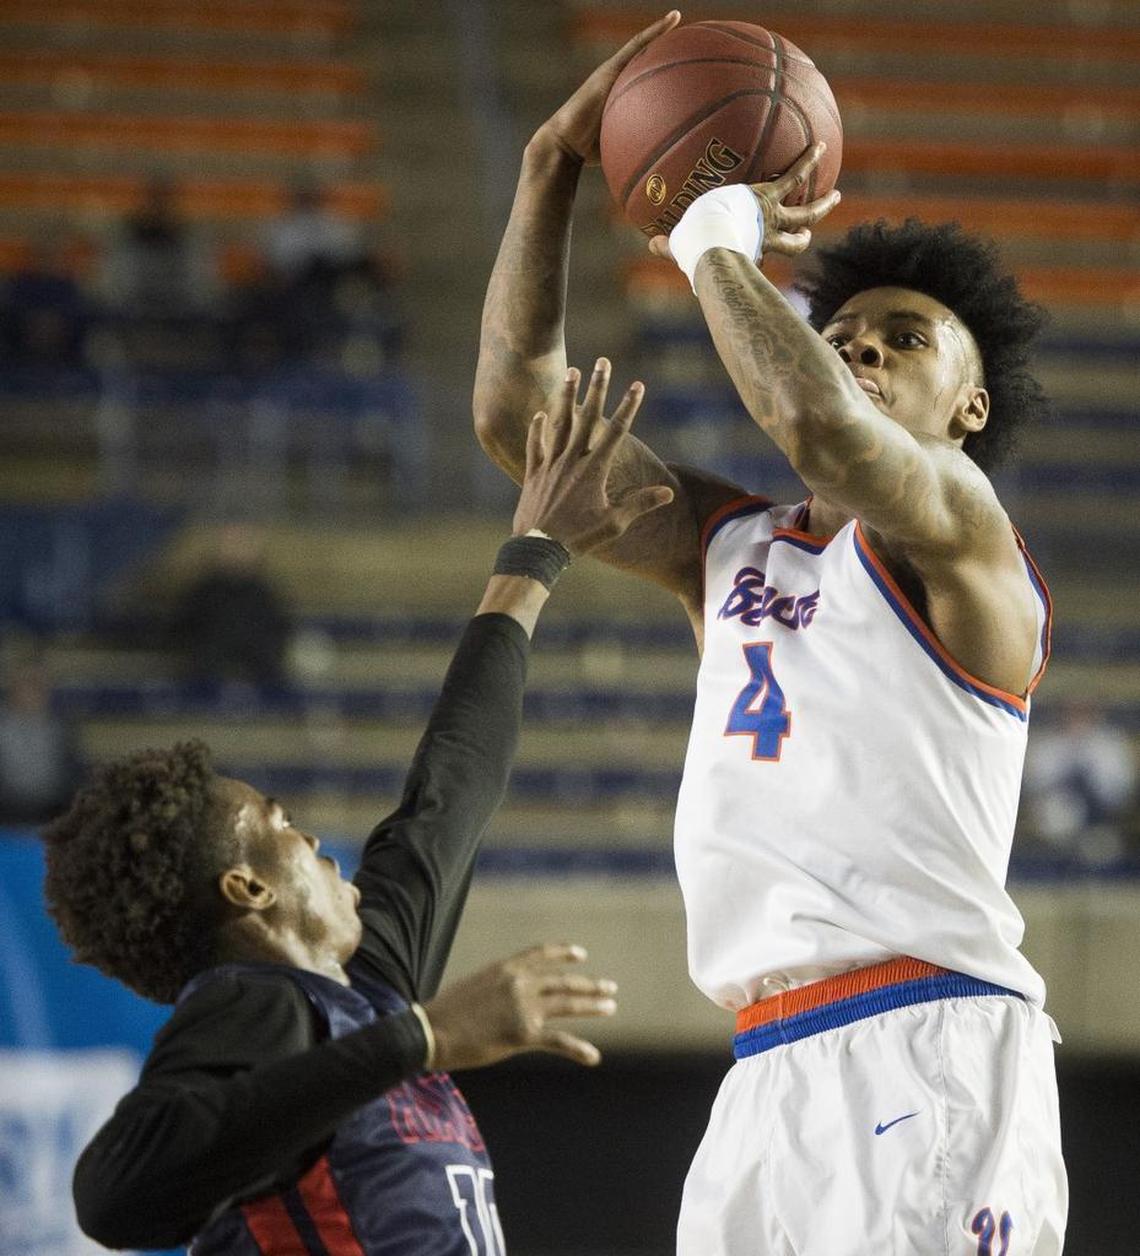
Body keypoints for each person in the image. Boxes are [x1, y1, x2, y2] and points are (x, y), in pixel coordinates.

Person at [473, 12, 1065, 1252]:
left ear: (969, 404)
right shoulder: (732, 545)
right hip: (765, 1065)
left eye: (904, 341)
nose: (861, 349)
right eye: (844, 333)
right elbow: (523, 427)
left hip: (929, 1036)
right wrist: (549, 172)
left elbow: (824, 434)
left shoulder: (968, 533)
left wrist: (711, 236)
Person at [44, 371, 672, 1253]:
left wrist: (534, 558)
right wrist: (423, 1036)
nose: (313, 839)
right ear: (247, 890)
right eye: (280, 824)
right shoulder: (253, 1002)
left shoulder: (368, 988)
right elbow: (114, 1199)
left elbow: (448, 792)